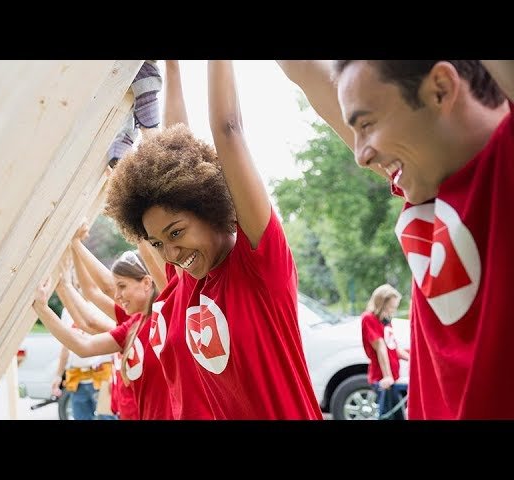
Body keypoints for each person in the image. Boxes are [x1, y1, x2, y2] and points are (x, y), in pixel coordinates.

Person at [278, 60, 514, 419]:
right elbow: (306, 72)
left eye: (367, 124)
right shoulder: (427, 190)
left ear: (440, 88)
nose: (360, 155)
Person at [103, 60, 322, 419]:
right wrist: (171, 69)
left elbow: (228, 130)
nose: (170, 254)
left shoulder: (259, 266)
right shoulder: (189, 279)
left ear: (209, 205)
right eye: (157, 244)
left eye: (175, 233)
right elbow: (178, 145)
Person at [32, 243, 173, 420]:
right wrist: (42, 307)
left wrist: (77, 244)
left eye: (122, 286)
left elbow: (98, 297)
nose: (116, 295)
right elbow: (83, 346)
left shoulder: (168, 313)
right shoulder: (133, 326)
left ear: (146, 282)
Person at [51, 307, 118, 420]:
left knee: (108, 418)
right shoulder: (67, 309)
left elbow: (116, 339)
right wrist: (58, 375)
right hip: (77, 378)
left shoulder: (101, 304)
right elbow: (65, 346)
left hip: (103, 376)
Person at [361, 284, 409, 420]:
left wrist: (412, 359)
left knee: (399, 416)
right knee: (388, 416)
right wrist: (387, 376)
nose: (393, 310)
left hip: (393, 378)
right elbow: (380, 347)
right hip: (383, 379)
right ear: (382, 304)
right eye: (391, 307)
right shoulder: (369, 319)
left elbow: (393, 347)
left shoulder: (386, 321)